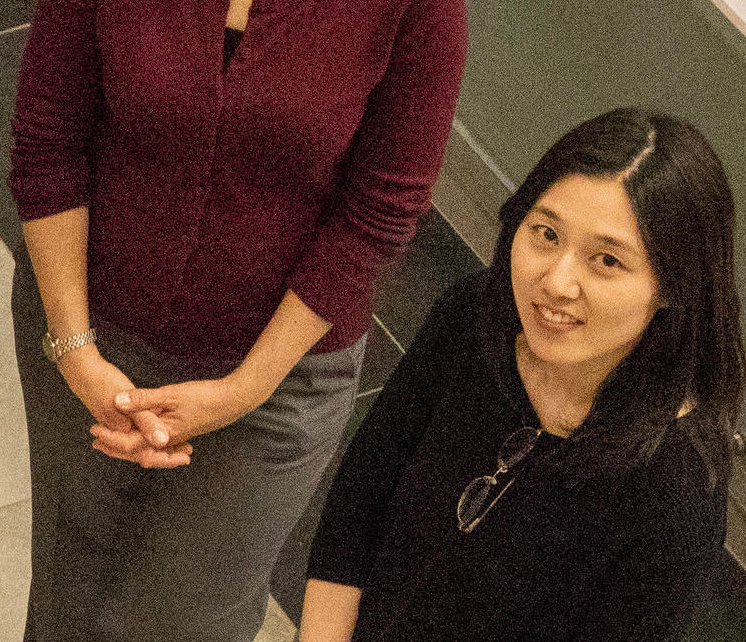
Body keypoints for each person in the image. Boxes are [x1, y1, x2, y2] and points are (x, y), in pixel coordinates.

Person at [7, 0, 469, 642]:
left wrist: (243, 389)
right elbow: (48, 140)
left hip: (277, 374)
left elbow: (377, 214)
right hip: (89, 326)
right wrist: (75, 347)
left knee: (184, 619)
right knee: (71, 588)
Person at [301, 107, 740, 642]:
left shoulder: (674, 492)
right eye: (546, 233)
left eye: (607, 261)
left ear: (673, 287)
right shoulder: (475, 317)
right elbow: (361, 498)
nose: (556, 282)